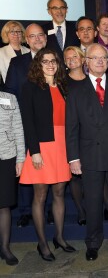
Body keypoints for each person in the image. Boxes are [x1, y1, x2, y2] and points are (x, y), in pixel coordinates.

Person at [65, 43, 108, 261]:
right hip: (89, 154)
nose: (100, 61)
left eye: (104, 58)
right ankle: (93, 243)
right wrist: (73, 157)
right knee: (92, 202)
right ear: (86, 62)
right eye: (95, 58)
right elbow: (71, 126)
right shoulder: (76, 90)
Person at [20, 48, 75, 261]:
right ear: (38, 64)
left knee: (60, 192)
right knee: (40, 195)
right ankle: (42, 243)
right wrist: (34, 152)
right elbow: (28, 122)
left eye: (53, 61)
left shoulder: (64, 86)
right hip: (42, 146)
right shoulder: (30, 87)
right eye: (45, 61)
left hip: (63, 145)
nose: (50, 64)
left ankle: (59, 238)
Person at [4, 23, 49, 228]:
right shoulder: (17, 63)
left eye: (41, 35)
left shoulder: (53, 61)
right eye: (33, 36)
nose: (38, 39)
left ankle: (44, 209)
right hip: (23, 123)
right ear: (26, 40)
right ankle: (25, 211)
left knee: (46, 169)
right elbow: (10, 94)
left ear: (45, 39)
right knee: (25, 165)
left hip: (49, 126)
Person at [0, 91, 25, 265]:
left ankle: (5, 248)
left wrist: (21, 158)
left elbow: (18, 128)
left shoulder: (9, 98)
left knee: (4, 205)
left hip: (6, 156)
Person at [63, 46, 86, 225]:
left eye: (75, 56)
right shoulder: (61, 83)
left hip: (89, 133)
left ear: (83, 59)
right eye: (68, 58)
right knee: (75, 176)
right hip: (70, 131)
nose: (72, 60)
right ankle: (81, 211)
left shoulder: (91, 81)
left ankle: (106, 206)